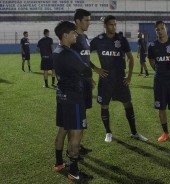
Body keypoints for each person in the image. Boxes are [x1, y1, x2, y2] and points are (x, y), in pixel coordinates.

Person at [90, 15, 148, 143]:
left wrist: (129, 76)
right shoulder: (98, 40)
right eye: (111, 24)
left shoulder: (121, 39)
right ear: (105, 25)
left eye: (115, 24)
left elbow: (130, 58)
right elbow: (84, 54)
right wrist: (96, 69)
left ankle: (134, 132)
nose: (114, 27)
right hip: (105, 80)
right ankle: (108, 132)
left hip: (120, 79)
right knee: (104, 105)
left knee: (128, 103)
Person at [53, 20, 93, 181]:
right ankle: (74, 172)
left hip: (62, 95)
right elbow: (87, 71)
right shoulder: (69, 53)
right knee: (76, 134)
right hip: (74, 97)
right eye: (73, 33)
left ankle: (59, 163)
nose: (75, 35)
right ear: (65, 35)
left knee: (63, 129)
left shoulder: (57, 50)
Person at [71, 8, 95, 156]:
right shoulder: (71, 39)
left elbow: (85, 59)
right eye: (86, 20)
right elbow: (70, 62)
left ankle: (78, 145)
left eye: (89, 20)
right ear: (78, 21)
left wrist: (91, 75)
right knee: (76, 117)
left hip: (86, 82)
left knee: (83, 115)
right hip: (76, 84)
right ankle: (72, 149)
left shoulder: (85, 37)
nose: (88, 23)